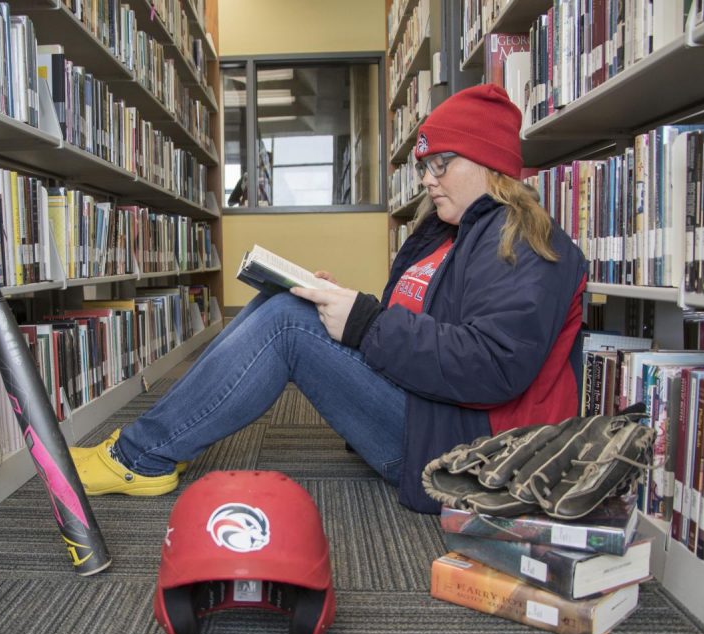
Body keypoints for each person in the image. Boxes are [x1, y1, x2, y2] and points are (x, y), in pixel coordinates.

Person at [69, 84, 588, 513]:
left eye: (441, 163)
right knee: (288, 302)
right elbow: (420, 324)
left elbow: (494, 366)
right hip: (427, 413)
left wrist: (363, 322)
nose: (428, 179)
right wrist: (342, 302)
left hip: (459, 449)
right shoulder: (448, 233)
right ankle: (164, 440)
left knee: (288, 323)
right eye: (424, 165)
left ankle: (141, 457)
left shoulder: (524, 241)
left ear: (488, 160)